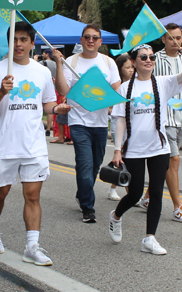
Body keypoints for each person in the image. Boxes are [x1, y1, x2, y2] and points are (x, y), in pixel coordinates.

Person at [0, 21, 70, 266]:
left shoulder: (41, 72)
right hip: (5, 145)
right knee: (0, 193)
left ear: (32, 43)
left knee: (32, 195)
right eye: (14, 40)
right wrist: (1, 92)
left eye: (23, 39)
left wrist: (58, 108)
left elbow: (48, 104)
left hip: (34, 145)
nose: (18, 44)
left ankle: (32, 246)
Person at [108, 44, 182, 255]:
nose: (148, 60)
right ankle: (116, 216)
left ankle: (149, 238)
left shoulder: (163, 83)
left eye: (152, 57)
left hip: (159, 148)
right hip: (134, 149)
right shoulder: (125, 88)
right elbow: (119, 121)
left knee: (155, 193)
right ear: (134, 62)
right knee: (135, 194)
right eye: (143, 57)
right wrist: (117, 150)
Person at [53, 24, 121, 223]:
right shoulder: (71, 62)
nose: (90, 40)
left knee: (94, 167)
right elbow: (63, 90)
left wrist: (111, 102)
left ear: (100, 42)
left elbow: (116, 90)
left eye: (94, 37)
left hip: (100, 124)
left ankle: (82, 193)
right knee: (84, 165)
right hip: (78, 122)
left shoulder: (108, 63)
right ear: (81, 40)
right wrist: (58, 64)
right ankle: (88, 208)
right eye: (87, 37)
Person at [137, 24, 182, 223]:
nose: (175, 42)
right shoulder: (155, 59)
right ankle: (178, 207)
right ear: (164, 40)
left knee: (164, 165)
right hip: (165, 118)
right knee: (174, 160)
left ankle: (147, 197)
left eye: (179, 38)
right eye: (171, 38)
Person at [107, 53, 134, 201]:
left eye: (132, 67)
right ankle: (126, 191)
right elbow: (110, 106)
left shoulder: (136, 84)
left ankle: (116, 188)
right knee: (123, 156)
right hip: (119, 123)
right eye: (127, 67)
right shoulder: (116, 86)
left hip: (133, 124)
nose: (131, 70)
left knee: (126, 158)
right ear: (120, 69)